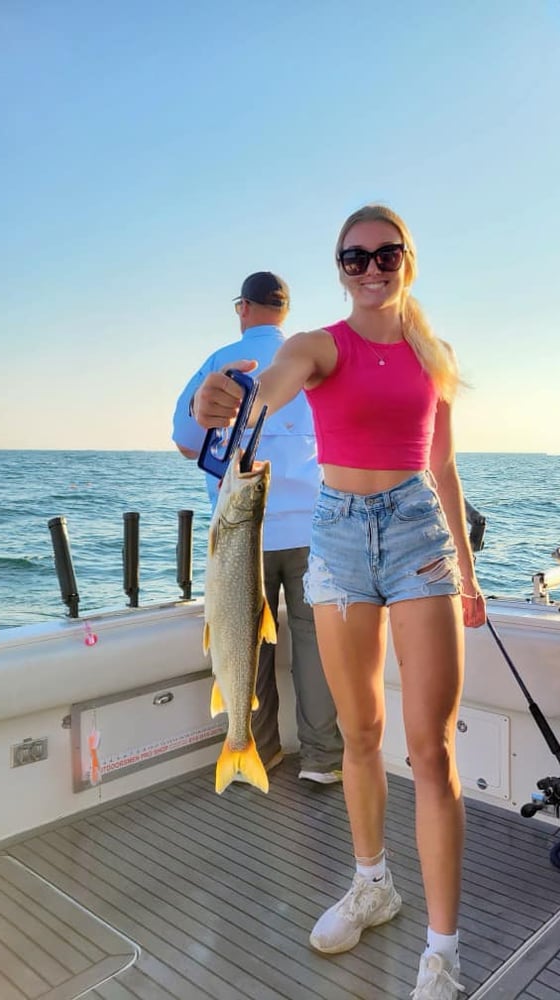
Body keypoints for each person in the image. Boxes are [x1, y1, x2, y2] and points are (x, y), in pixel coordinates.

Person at [191, 208, 487, 999]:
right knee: (360, 735)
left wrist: (468, 568)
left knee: (430, 751)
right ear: (340, 267)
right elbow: (269, 387)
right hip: (340, 535)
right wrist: (229, 400)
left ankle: (444, 951)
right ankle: (372, 885)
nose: (370, 268)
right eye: (354, 258)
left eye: (386, 255)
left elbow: (445, 469)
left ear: (408, 261)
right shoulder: (318, 345)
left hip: (419, 533)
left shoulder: (435, 356)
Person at [172, 270, 344, 785]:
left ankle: (260, 749)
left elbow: (186, 440)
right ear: (285, 310)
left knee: (246, 639)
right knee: (317, 643)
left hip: (242, 537)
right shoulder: (311, 359)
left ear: (242, 307)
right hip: (315, 530)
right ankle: (323, 759)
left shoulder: (222, 362)